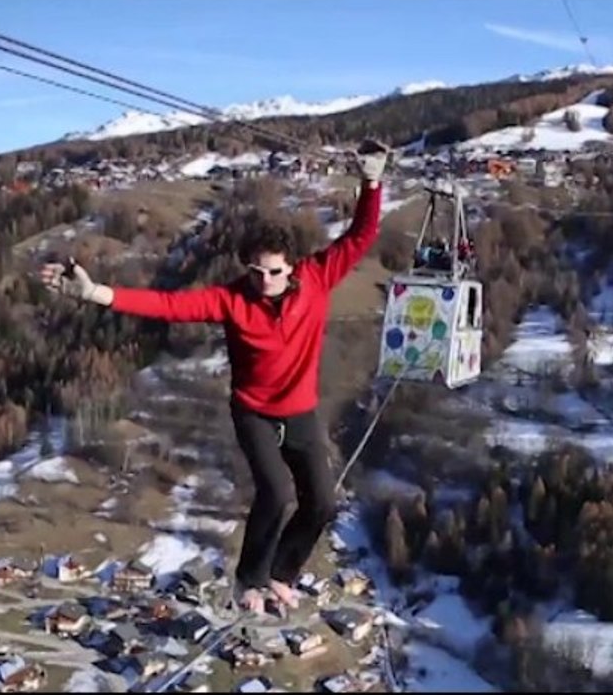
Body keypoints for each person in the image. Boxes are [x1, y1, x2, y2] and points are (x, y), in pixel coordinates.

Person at [39, 140, 389, 615]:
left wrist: (371, 183)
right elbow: (166, 305)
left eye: (274, 272)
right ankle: (249, 579)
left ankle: (282, 575)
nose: (264, 280)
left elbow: (360, 235)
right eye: (255, 271)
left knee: (322, 504)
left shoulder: (317, 279)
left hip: (300, 408)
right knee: (276, 491)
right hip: (255, 413)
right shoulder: (232, 300)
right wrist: (97, 292)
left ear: (291, 268)